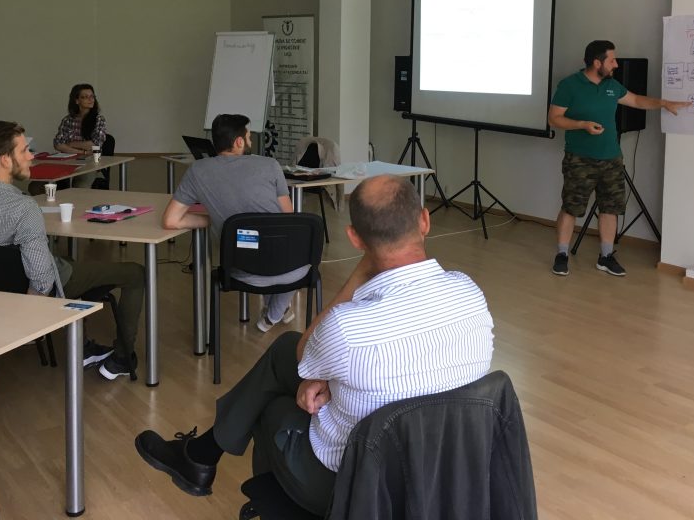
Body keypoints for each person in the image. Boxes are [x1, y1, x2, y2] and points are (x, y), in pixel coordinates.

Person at [136, 174, 494, 514]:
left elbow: (307, 351)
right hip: (441, 480)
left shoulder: (347, 328)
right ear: (425, 221)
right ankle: (201, 456)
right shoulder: (470, 293)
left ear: (355, 239)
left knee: (272, 403)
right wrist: (326, 376)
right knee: (286, 350)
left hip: (354, 489)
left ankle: (209, 463)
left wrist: (361, 270)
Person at [0, 121, 145, 380]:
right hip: (35, 288)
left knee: (67, 260)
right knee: (135, 273)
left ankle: (83, 347)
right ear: (5, 160)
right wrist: (26, 322)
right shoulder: (23, 208)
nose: (31, 156)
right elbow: (41, 281)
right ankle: (122, 359)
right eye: (25, 150)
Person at [548, 40, 690, 277]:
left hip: (611, 158)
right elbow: (554, 118)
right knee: (571, 207)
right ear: (597, 63)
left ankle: (605, 257)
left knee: (610, 208)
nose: (616, 64)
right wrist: (582, 125)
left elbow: (636, 100)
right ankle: (561, 255)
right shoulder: (569, 85)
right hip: (579, 159)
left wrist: (664, 103)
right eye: (612, 60)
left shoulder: (611, 85)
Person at [161, 113, 298, 332]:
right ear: (239, 141)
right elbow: (288, 221)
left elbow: (171, 220)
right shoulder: (270, 165)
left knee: (261, 247)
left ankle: (277, 311)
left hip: (238, 268)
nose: (251, 141)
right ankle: (272, 316)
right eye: (249, 137)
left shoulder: (197, 170)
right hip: (286, 267)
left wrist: (216, 218)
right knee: (295, 252)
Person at [53, 84, 107, 155]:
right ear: (77, 101)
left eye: (92, 96)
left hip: (92, 159)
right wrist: (83, 152)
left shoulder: (99, 119)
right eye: (85, 97)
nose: (90, 99)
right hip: (70, 158)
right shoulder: (67, 120)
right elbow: (58, 144)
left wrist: (71, 144)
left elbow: (96, 145)